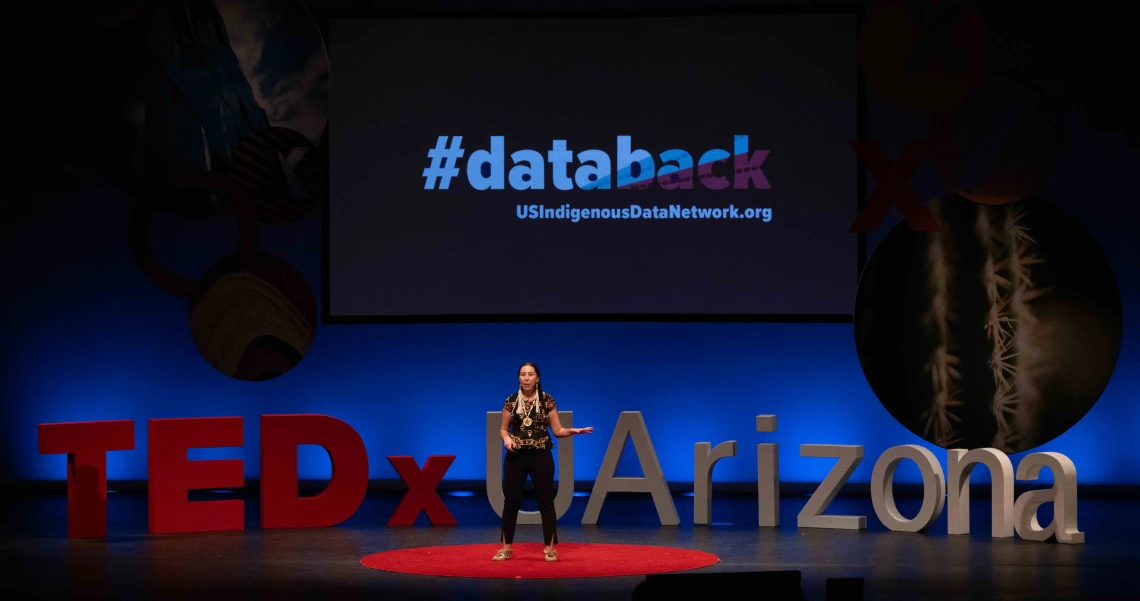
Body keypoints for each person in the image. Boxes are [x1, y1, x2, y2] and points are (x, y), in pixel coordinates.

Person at [493, 362, 593, 562]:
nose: (527, 378)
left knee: (546, 502)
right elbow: (504, 429)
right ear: (519, 378)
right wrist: (506, 439)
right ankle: (506, 548)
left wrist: (572, 431)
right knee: (511, 502)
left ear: (537, 378)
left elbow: (557, 431)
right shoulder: (510, 401)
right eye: (523, 374)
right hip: (516, 457)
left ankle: (549, 548)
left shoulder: (547, 400)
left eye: (531, 374)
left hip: (541, 456)